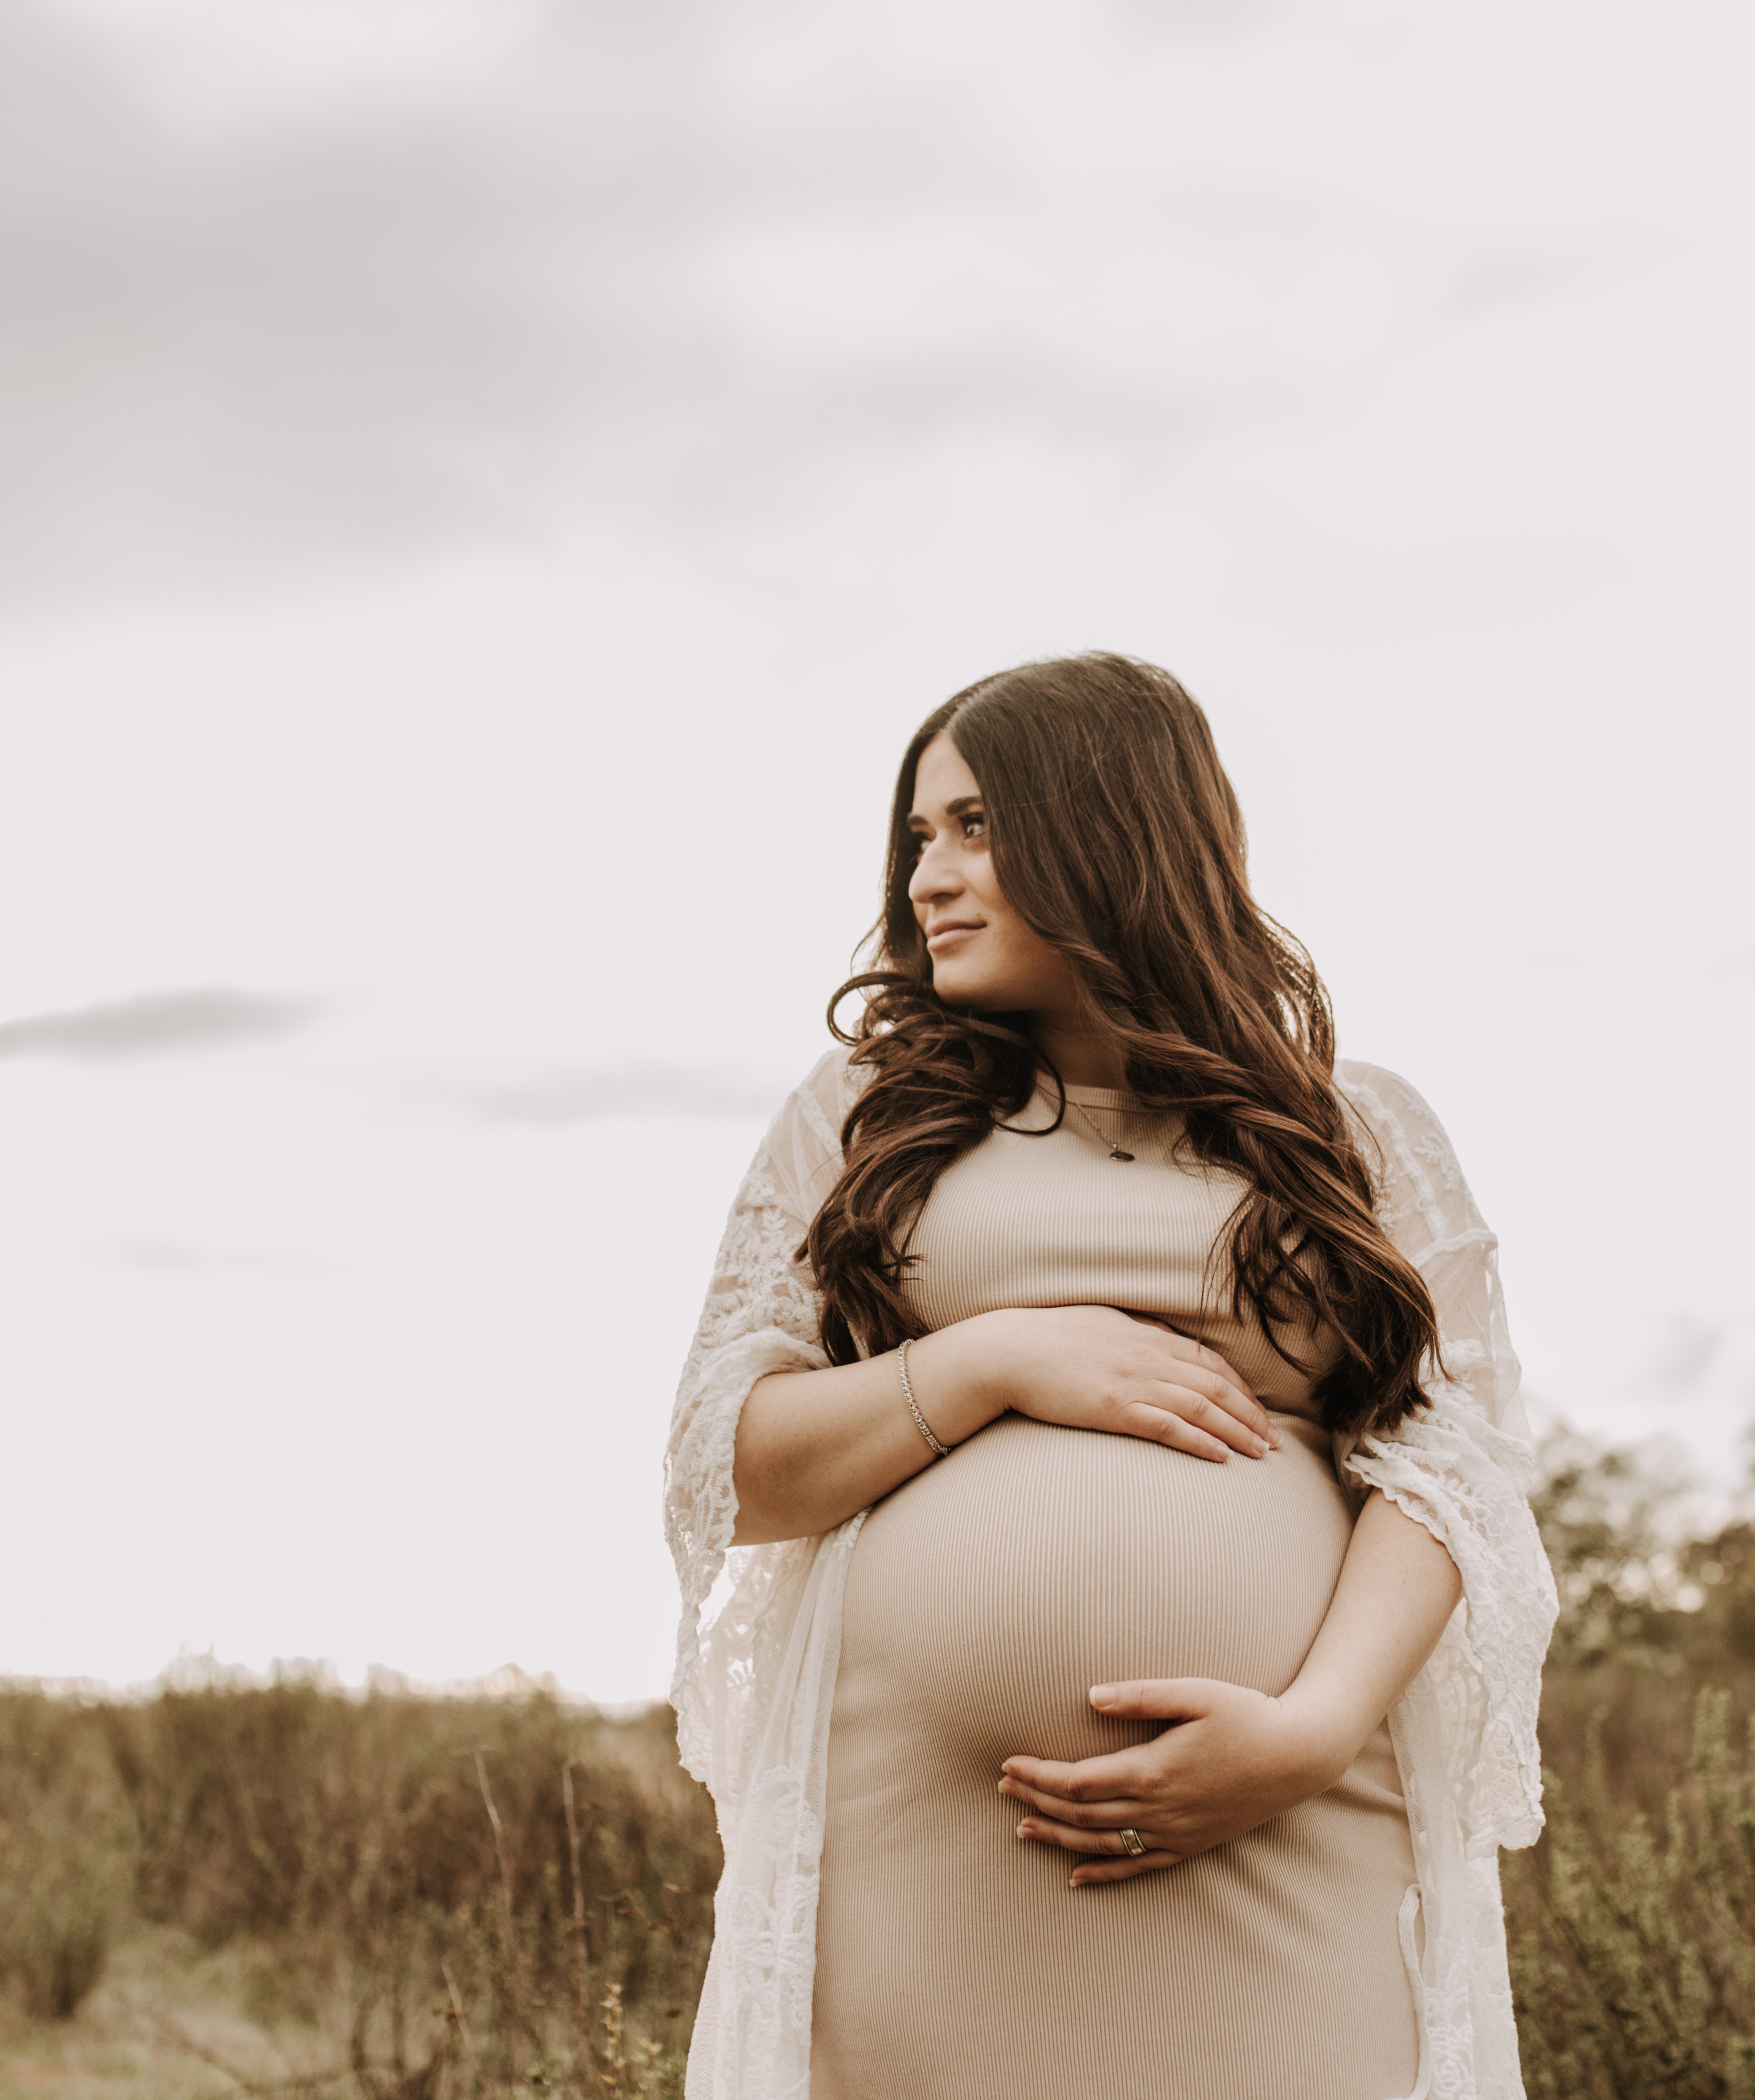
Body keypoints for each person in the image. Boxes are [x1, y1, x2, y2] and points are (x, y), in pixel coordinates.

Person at [662, 654, 1554, 2100]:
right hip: (931, 1858)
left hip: (1294, 1825)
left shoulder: (1354, 1132)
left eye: (975, 829)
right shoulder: (864, 1122)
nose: (929, 881)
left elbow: (1455, 1464)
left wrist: (1310, 1730)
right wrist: (994, 1360)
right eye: (915, 841)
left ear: (1113, 834)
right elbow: (733, 1464)